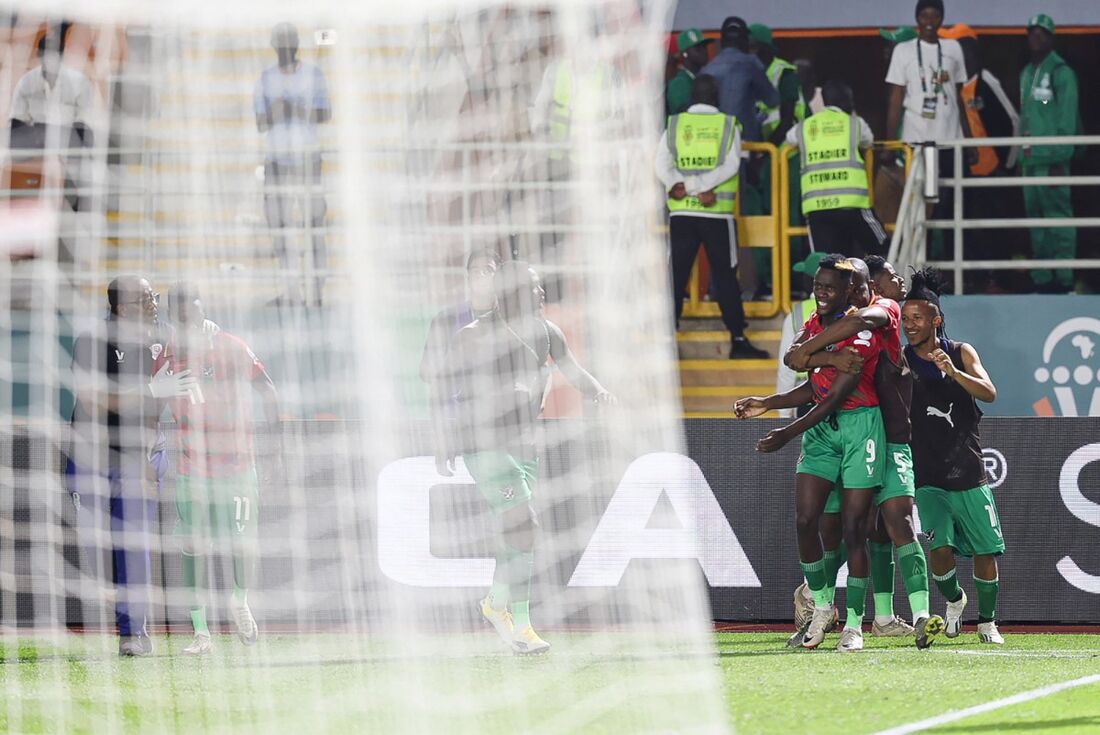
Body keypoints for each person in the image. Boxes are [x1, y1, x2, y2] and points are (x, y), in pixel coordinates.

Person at [445, 261, 613, 655]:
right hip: (485, 444)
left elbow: (574, 370)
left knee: (514, 536)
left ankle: (493, 604)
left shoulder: (546, 332)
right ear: (509, 293)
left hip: (524, 445)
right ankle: (521, 625)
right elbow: (445, 390)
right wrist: (445, 437)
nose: (541, 294)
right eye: (533, 288)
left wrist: (600, 392)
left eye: (541, 288)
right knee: (526, 526)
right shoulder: (474, 336)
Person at [786, 257, 944, 648]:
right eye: (890, 276)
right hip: (851, 437)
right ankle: (834, 603)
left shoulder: (882, 314)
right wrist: (818, 355)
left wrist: (810, 352)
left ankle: (917, 615)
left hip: (884, 440)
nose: (897, 281)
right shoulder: (846, 321)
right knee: (853, 531)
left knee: (895, 524)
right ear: (864, 286)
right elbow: (818, 379)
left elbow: (833, 368)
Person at [736, 255, 886, 652]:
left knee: (855, 528)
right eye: (818, 286)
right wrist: (770, 401)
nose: (820, 292)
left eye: (829, 287)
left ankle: (855, 624)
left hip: (858, 426)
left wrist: (786, 431)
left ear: (850, 290)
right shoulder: (816, 324)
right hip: (821, 432)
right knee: (805, 520)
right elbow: (794, 362)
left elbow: (834, 396)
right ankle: (822, 607)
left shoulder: (864, 325)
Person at [67, 276, 196, 656]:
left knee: (134, 544)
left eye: (153, 296)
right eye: (145, 298)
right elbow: (92, 400)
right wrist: (148, 391)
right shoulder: (93, 340)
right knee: (97, 549)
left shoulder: (165, 336)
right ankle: (115, 598)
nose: (155, 302)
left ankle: (133, 633)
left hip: (140, 454)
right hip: (91, 455)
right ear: (123, 308)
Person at [163, 284, 280, 655]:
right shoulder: (166, 354)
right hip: (191, 469)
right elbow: (149, 409)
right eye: (181, 316)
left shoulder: (230, 345)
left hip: (237, 465)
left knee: (243, 542)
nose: (190, 322)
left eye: (194, 314)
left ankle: (239, 601)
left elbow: (268, 390)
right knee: (193, 547)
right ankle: (201, 633)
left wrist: (275, 449)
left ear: (203, 312)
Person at [902, 268, 1004, 644]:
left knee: (985, 551)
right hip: (927, 475)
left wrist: (953, 372)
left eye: (917, 319)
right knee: (940, 550)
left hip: (968, 471)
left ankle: (988, 623)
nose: (909, 326)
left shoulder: (961, 352)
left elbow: (989, 392)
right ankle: (955, 601)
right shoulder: (901, 361)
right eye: (905, 319)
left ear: (936, 319)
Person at [656, 75, 767, 360]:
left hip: (682, 213)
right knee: (726, 276)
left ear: (692, 95)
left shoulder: (675, 124)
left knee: (676, 276)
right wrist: (702, 187)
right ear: (716, 94)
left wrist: (683, 185)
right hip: (716, 215)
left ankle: (667, 340)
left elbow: (661, 165)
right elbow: (731, 165)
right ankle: (738, 340)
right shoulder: (728, 124)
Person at [884, 0, 975, 262]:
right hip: (918, 142)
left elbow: (959, 97)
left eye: (935, 15)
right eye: (924, 14)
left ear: (941, 19)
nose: (929, 20)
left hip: (950, 141)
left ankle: (951, 265)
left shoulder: (953, 48)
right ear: (917, 18)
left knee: (952, 207)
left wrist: (969, 142)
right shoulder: (903, 51)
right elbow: (895, 99)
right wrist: (892, 144)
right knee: (921, 208)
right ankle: (922, 266)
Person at [254, 22, 333, 306]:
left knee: (313, 225)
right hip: (276, 161)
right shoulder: (265, 78)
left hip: (308, 159)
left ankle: (316, 292)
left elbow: (326, 113)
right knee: (280, 227)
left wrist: (298, 109)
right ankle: (291, 291)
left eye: (291, 41)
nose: (286, 47)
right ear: (274, 46)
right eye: (281, 41)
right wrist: (278, 110)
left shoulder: (314, 74)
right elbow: (260, 122)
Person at [420, 249, 503, 476]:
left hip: (501, 427)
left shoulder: (512, 321)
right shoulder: (447, 320)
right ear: (467, 278)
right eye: (475, 271)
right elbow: (426, 371)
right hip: (456, 424)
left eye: (488, 270)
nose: (481, 275)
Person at [786, 80, 887, 257]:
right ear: (848, 101)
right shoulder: (854, 123)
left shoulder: (805, 127)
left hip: (818, 208)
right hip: (852, 206)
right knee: (884, 249)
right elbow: (868, 140)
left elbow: (790, 138)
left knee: (830, 265)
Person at [1019, 14, 1079, 293]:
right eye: (1032, 33)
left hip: (1052, 162)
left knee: (1059, 222)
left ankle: (1064, 279)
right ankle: (1042, 279)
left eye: (1042, 33)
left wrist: (1060, 156)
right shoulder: (1027, 72)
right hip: (1030, 162)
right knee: (1036, 222)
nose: (1036, 38)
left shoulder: (1062, 72)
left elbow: (1067, 120)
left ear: (1051, 38)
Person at [9, 28, 95, 149]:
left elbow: (86, 121)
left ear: (63, 55)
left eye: (55, 55)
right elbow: (17, 119)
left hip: (70, 137)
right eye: (45, 55)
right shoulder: (26, 82)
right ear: (39, 54)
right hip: (36, 137)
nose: (50, 60)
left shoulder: (80, 82)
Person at [700, 17, 778, 145]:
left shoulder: (707, 68)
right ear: (744, 41)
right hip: (744, 143)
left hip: (714, 141)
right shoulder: (751, 63)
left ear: (722, 41)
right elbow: (772, 100)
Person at [773, 251, 824, 419]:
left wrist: (784, 414)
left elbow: (786, 370)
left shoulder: (796, 314)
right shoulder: (850, 311)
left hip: (806, 397)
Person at [748, 24, 805, 147]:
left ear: (765, 48)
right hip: (764, 148)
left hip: (788, 150)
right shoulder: (748, 74)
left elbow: (787, 120)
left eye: (752, 47)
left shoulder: (784, 73)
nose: (748, 53)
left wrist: (764, 151)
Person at [666, 28, 713, 116]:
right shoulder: (680, 82)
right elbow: (684, 113)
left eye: (704, 46)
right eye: (698, 48)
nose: (704, 51)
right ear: (685, 53)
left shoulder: (701, 77)